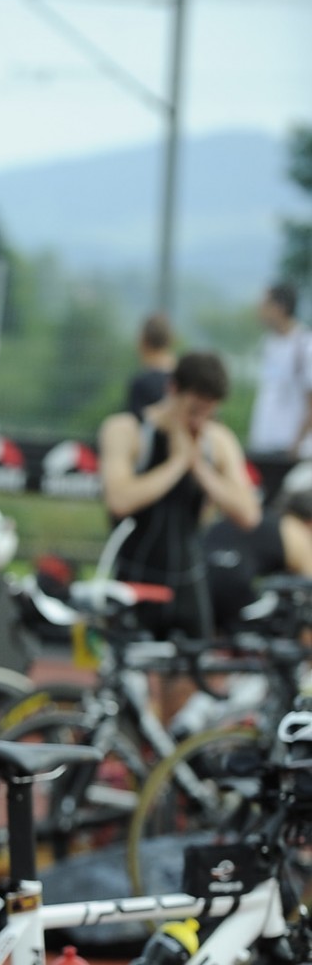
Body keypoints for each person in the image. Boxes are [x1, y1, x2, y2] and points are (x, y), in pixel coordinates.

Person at [99, 350, 259, 717]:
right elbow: (120, 499)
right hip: (134, 582)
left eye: (208, 411)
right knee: (128, 705)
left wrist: (199, 466)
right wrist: (175, 463)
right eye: (193, 409)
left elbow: (248, 513)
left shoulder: (215, 441)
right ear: (173, 389)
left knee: (181, 703)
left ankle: (162, 772)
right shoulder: (127, 429)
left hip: (187, 585)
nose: (200, 419)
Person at [200, 467, 312, 627]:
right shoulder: (296, 531)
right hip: (235, 589)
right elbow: (309, 581)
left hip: (201, 583)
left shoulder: (266, 520)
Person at [247, 282, 312, 500]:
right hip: (264, 444)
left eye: (265, 304)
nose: (260, 310)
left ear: (280, 308)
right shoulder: (269, 343)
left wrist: (297, 443)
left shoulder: (304, 345)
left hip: (288, 451)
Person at [125, 312, 178, 419]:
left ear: (143, 341)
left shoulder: (141, 384)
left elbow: (133, 423)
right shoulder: (185, 378)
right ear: (171, 341)